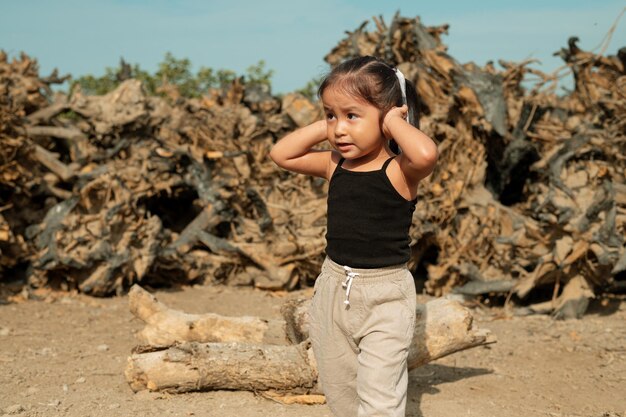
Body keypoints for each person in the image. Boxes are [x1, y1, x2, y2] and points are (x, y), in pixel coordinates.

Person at [269, 55, 438, 417]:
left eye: (352, 116)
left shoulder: (399, 171)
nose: (340, 129)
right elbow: (280, 154)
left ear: (391, 116)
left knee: (380, 395)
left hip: (386, 296)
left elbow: (426, 152)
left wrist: (393, 121)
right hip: (333, 289)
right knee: (341, 391)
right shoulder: (335, 164)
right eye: (332, 114)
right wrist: (330, 124)